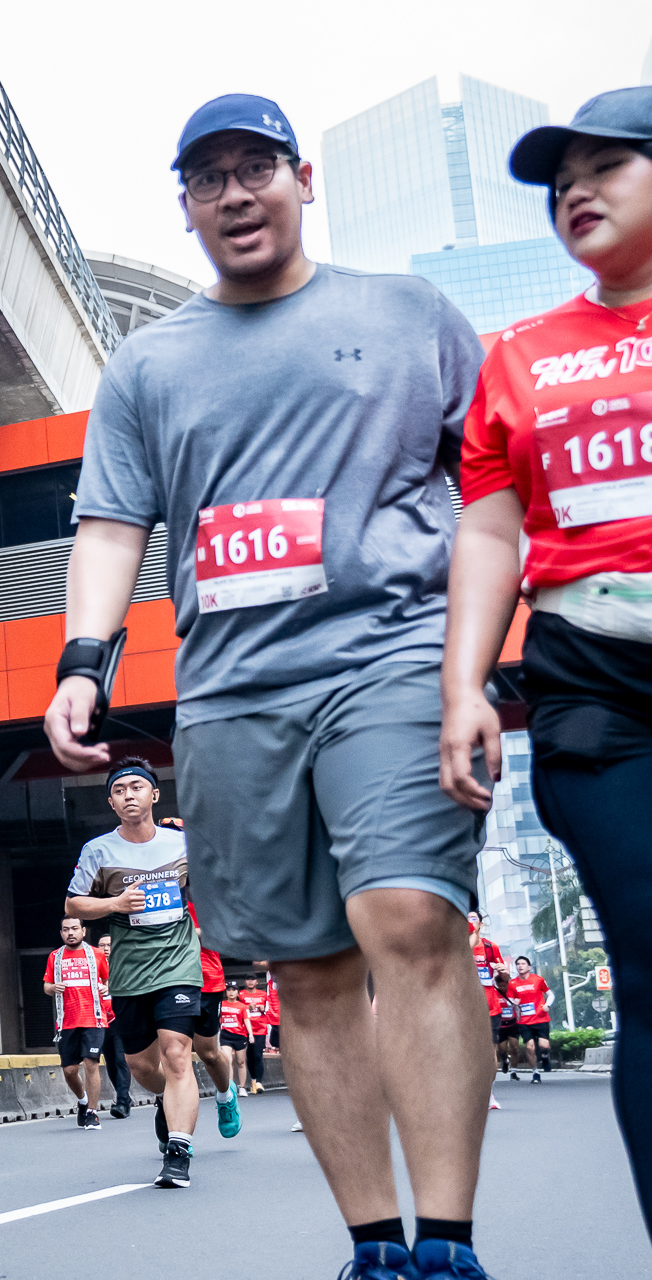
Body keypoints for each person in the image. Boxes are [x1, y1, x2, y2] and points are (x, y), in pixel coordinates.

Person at [45, 92, 495, 1279]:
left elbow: (497, 481)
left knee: (409, 917)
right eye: (209, 178)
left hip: (390, 657)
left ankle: (448, 1243)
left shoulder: (408, 314)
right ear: (185, 205)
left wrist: (490, 649)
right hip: (234, 693)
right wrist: (84, 661)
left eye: (257, 168)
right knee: (306, 964)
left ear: (303, 177)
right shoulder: (148, 365)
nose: (235, 194)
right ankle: (376, 1245)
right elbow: (111, 525)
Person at [442, 92, 652, 1233]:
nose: (575, 190)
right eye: (559, 180)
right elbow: (488, 531)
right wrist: (464, 686)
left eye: (605, 166)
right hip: (594, 681)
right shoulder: (519, 358)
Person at [64, 759, 202, 1189]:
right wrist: (115, 904)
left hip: (178, 960)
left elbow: (216, 879)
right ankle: (166, 1098)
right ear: (111, 802)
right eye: (119, 790)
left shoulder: (182, 842)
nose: (129, 795)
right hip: (130, 968)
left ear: (154, 795)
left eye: (137, 787)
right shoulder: (98, 850)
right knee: (139, 1064)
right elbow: (73, 904)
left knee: (177, 1053)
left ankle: (178, 1151)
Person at [43, 916, 109, 1130]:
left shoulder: (97, 954)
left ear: (83, 931)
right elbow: (46, 986)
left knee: (91, 1062)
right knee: (69, 1071)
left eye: (74, 928)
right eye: (65, 929)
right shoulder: (55, 956)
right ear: (61, 933)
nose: (70, 933)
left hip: (94, 1018)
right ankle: (82, 1100)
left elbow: (109, 981)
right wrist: (53, 988)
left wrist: (107, 988)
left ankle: (92, 1112)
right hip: (66, 1021)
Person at [187, 901, 243, 1138]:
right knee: (175, 1053)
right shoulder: (149, 890)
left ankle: (225, 1096)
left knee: (208, 1053)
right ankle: (175, 1127)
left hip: (206, 981)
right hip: (167, 980)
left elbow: (225, 929)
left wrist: (184, 932)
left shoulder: (204, 896)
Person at [467, 912, 507, 1111]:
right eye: (466, 918)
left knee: (490, 1051)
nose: (470, 921)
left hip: (490, 1007)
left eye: (474, 918)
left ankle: (489, 1093)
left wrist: (503, 972)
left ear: (481, 924)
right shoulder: (455, 947)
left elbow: (503, 980)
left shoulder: (491, 947)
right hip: (463, 1008)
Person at [96, 932, 133, 1117]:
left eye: (109, 945)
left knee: (120, 1060)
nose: (106, 949)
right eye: (102, 945)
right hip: (101, 1020)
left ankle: (122, 1103)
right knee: (110, 1062)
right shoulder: (93, 967)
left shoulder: (125, 966)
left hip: (120, 1019)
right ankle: (124, 1095)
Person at [506, 957, 554, 1082]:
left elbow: (550, 994)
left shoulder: (538, 980)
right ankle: (535, 1073)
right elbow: (509, 1001)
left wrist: (547, 1005)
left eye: (523, 964)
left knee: (544, 1045)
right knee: (529, 1047)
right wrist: (513, 1002)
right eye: (518, 964)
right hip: (524, 1021)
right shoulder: (512, 984)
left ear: (529, 967)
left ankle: (544, 1056)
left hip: (541, 1018)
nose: (520, 966)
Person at [218, 985, 252, 1092]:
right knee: (228, 1060)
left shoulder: (242, 1006)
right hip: (225, 1035)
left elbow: (246, 1020)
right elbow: (217, 1018)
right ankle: (231, 1087)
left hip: (240, 1036)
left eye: (234, 990)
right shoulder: (221, 1004)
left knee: (241, 1062)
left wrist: (251, 1034)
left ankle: (242, 1087)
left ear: (238, 993)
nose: (231, 992)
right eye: (229, 990)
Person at [241, 977, 270, 1094]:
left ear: (257, 982)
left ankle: (259, 1082)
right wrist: (247, 1008)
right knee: (249, 1055)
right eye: (248, 979)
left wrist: (264, 1009)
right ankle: (253, 1080)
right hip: (245, 1029)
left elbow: (271, 1009)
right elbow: (237, 1008)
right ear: (245, 982)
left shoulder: (264, 994)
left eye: (253, 979)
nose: (250, 981)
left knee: (258, 1054)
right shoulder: (241, 994)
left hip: (260, 1029)